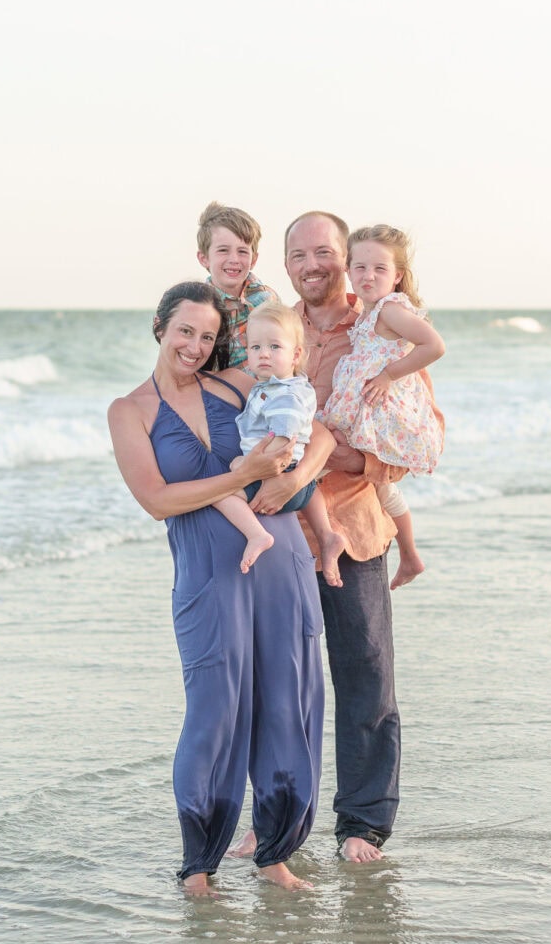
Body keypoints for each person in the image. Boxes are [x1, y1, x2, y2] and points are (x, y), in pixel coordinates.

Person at [106, 281, 330, 894]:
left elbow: (324, 434)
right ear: (159, 327)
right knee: (215, 710)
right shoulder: (130, 411)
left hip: (281, 560)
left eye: (207, 336)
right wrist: (251, 470)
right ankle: (198, 864)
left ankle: (275, 853)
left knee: (289, 701)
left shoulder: (237, 384)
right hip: (208, 575)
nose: (196, 346)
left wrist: (290, 478)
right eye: (185, 331)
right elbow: (156, 500)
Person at [239, 210, 423, 863]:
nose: (312, 265)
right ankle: (276, 819)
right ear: (285, 263)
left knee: (366, 679)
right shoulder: (270, 329)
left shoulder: (380, 326)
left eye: (324, 253)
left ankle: (362, 825)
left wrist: (343, 460)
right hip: (280, 536)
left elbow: (417, 440)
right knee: (280, 683)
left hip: (356, 530)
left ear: (345, 258)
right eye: (298, 255)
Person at [318, 224, 445, 588]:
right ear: (347, 271)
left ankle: (333, 538)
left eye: (379, 269)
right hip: (364, 409)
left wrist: (390, 374)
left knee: (321, 462)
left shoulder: (390, 310)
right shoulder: (367, 312)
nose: (368, 275)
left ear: (397, 275)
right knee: (381, 489)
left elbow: (434, 346)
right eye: (360, 267)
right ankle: (410, 556)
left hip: (380, 412)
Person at [211, 301, 350, 581]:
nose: (264, 354)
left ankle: (257, 535)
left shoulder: (282, 395)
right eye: (256, 347)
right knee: (311, 487)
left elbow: (282, 442)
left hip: (274, 474)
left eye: (275, 347)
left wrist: (246, 466)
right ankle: (326, 535)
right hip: (301, 481)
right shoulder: (291, 386)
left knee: (219, 494)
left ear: (296, 354)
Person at [196, 201, 279, 370]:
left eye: (242, 251)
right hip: (216, 391)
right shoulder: (198, 306)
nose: (234, 259)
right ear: (204, 258)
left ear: (253, 259)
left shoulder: (267, 299)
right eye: (223, 250)